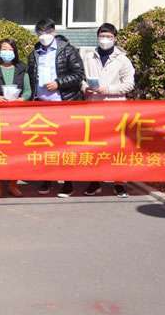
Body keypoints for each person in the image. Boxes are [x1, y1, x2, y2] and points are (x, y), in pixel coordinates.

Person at [27, 18, 85, 197]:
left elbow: (79, 74)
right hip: (42, 106)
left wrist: (59, 83)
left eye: (46, 32)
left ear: (53, 32)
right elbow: (31, 77)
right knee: (46, 145)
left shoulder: (68, 50)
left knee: (65, 145)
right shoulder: (35, 53)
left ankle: (68, 182)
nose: (43, 36)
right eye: (40, 33)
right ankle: (47, 179)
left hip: (64, 104)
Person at [81, 23, 135, 198]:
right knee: (95, 147)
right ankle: (95, 181)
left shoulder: (122, 60)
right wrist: (85, 88)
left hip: (115, 109)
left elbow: (129, 84)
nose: (105, 40)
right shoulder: (88, 56)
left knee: (117, 147)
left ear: (115, 38)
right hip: (93, 108)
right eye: (102, 36)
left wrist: (109, 89)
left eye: (109, 37)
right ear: (97, 37)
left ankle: (119, 183)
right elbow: (81, 78)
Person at [0, 38, 32, 197]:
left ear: (14, 52)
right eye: (4, 49)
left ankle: (12, 183)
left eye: (10, 49)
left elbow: (28, 90)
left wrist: (23, 98)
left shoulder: (22, 69)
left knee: (15, 150)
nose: (7, 52)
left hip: (16, 116)